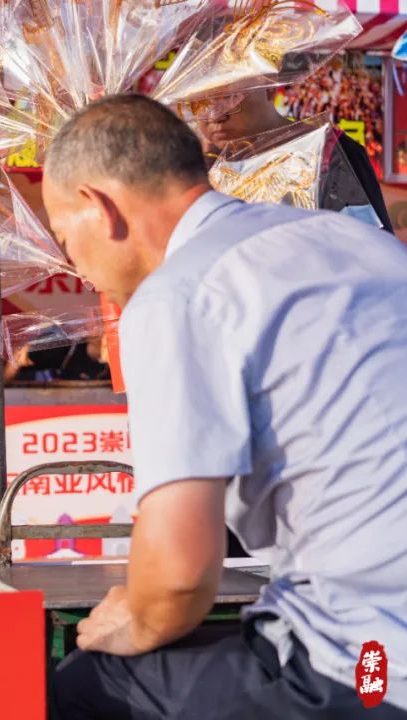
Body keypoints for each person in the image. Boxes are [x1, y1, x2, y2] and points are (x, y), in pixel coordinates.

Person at [41, 94, 407, 718]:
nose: (74, 267)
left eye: (63, 238)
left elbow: (180, 579)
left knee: (84, 687)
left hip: (371, 665)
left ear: (97, 208)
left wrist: (129, 618)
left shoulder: (178, 295)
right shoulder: (350, 241)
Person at [195, 88, 394, 232]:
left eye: (229, 96)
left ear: (269, 87)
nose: (214, 115)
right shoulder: (206, 170)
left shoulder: (327, 152)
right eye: (197, 102)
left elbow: (371, 252)